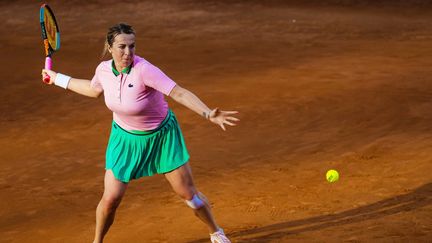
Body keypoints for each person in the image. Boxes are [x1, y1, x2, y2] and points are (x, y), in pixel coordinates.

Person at [41, 23, 238, 243]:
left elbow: (179, 93)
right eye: (122, 47)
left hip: (161, 138)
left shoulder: (145, 70)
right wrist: (57, 78)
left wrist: (208, 113)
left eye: (132, 46)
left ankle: (215, 231)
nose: (128, 53)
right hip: (125, 140)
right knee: (110, 198)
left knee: (189, 196)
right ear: (109, 47)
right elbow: (94, 89)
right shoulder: (103, 70)